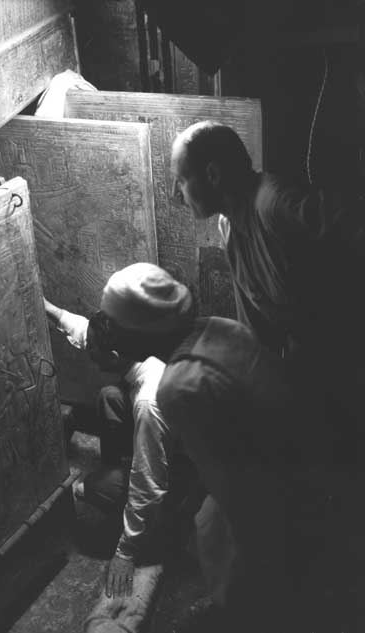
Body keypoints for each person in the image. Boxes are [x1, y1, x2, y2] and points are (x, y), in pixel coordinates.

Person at [91, 262, 302, 629]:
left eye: (114, 324)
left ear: (139, 332)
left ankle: (248, 608)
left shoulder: (180, 386)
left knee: (221, 535)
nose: (108, 333)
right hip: (294, 442)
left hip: (271, 478)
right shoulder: (216, 327)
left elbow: (230, 485)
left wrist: (129, 551)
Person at [170, 120, 365, 465]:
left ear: (212, 174)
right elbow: (256, 322)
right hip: (308, 375)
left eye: (182, 180)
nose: (176, 194)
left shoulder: (273, 204)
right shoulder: (228, 224)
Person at [43, 296, 197, 599]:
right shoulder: (137, 347)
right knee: (110, 396)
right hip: (171, 442)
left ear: (113, 355)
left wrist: (125, 554)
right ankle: (119, 474)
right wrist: (50, 310)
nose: (89, 353)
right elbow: (89, 332)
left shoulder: (148, 403)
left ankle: (162, 530)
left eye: (94, 352)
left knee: (92, 487)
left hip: (185, 477)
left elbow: (149, 485)